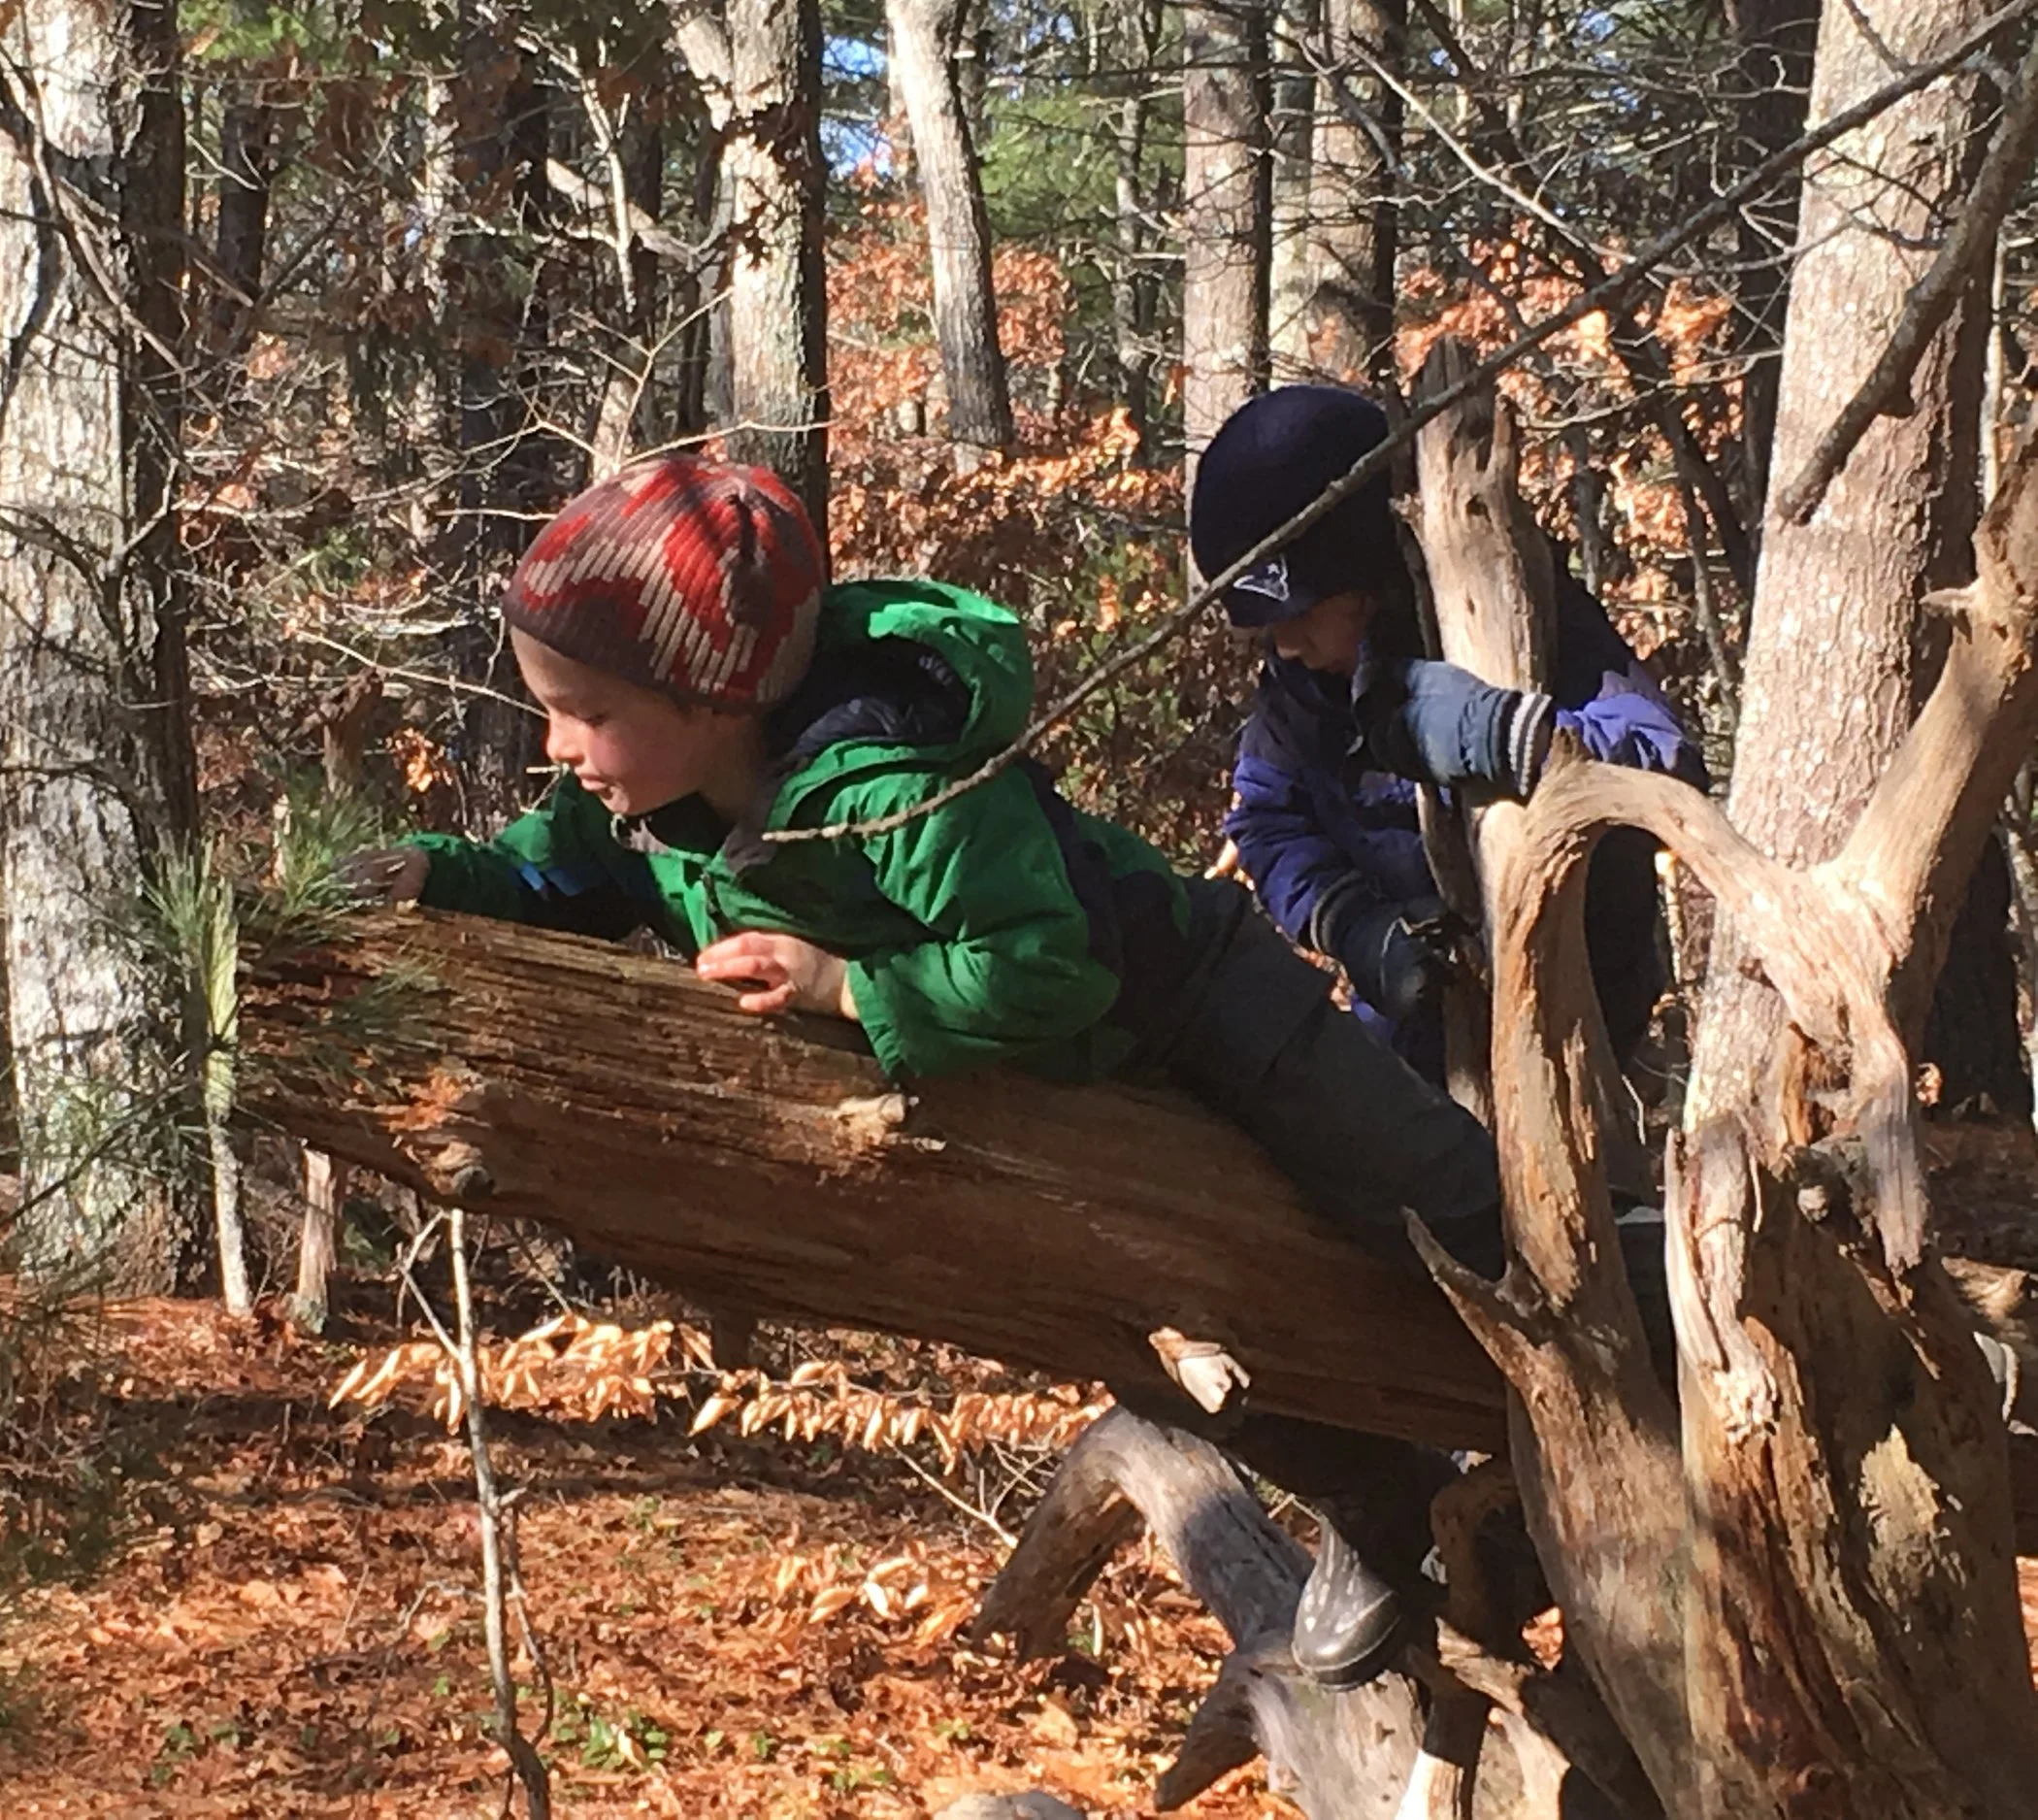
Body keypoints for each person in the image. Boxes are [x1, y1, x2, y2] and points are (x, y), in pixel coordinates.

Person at [349, 454, 1514, 1688]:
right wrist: (435, 875)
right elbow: (547, 875)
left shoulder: (897, 784)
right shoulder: (641, 803)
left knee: (1404, 1179)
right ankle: (1379, 1498)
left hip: (1191, 998)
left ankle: (1618, 1311)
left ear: (712, 699)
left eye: (585, 711)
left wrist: (850, 988)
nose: (557, 745)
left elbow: (1050, 963)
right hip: (1036, 1087)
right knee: (1152, 1334)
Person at [1190, 385, 1707, 1084]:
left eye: (1301, 616)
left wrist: (1504, 734)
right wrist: (1351, 923)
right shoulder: (1300, 690)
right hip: (1418, 1050)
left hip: (1586, 1031)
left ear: (1365, 577)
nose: (1285, 646)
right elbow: (1268, 819)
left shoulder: (1526, 601)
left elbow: (1664, 762)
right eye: (1268, 627)